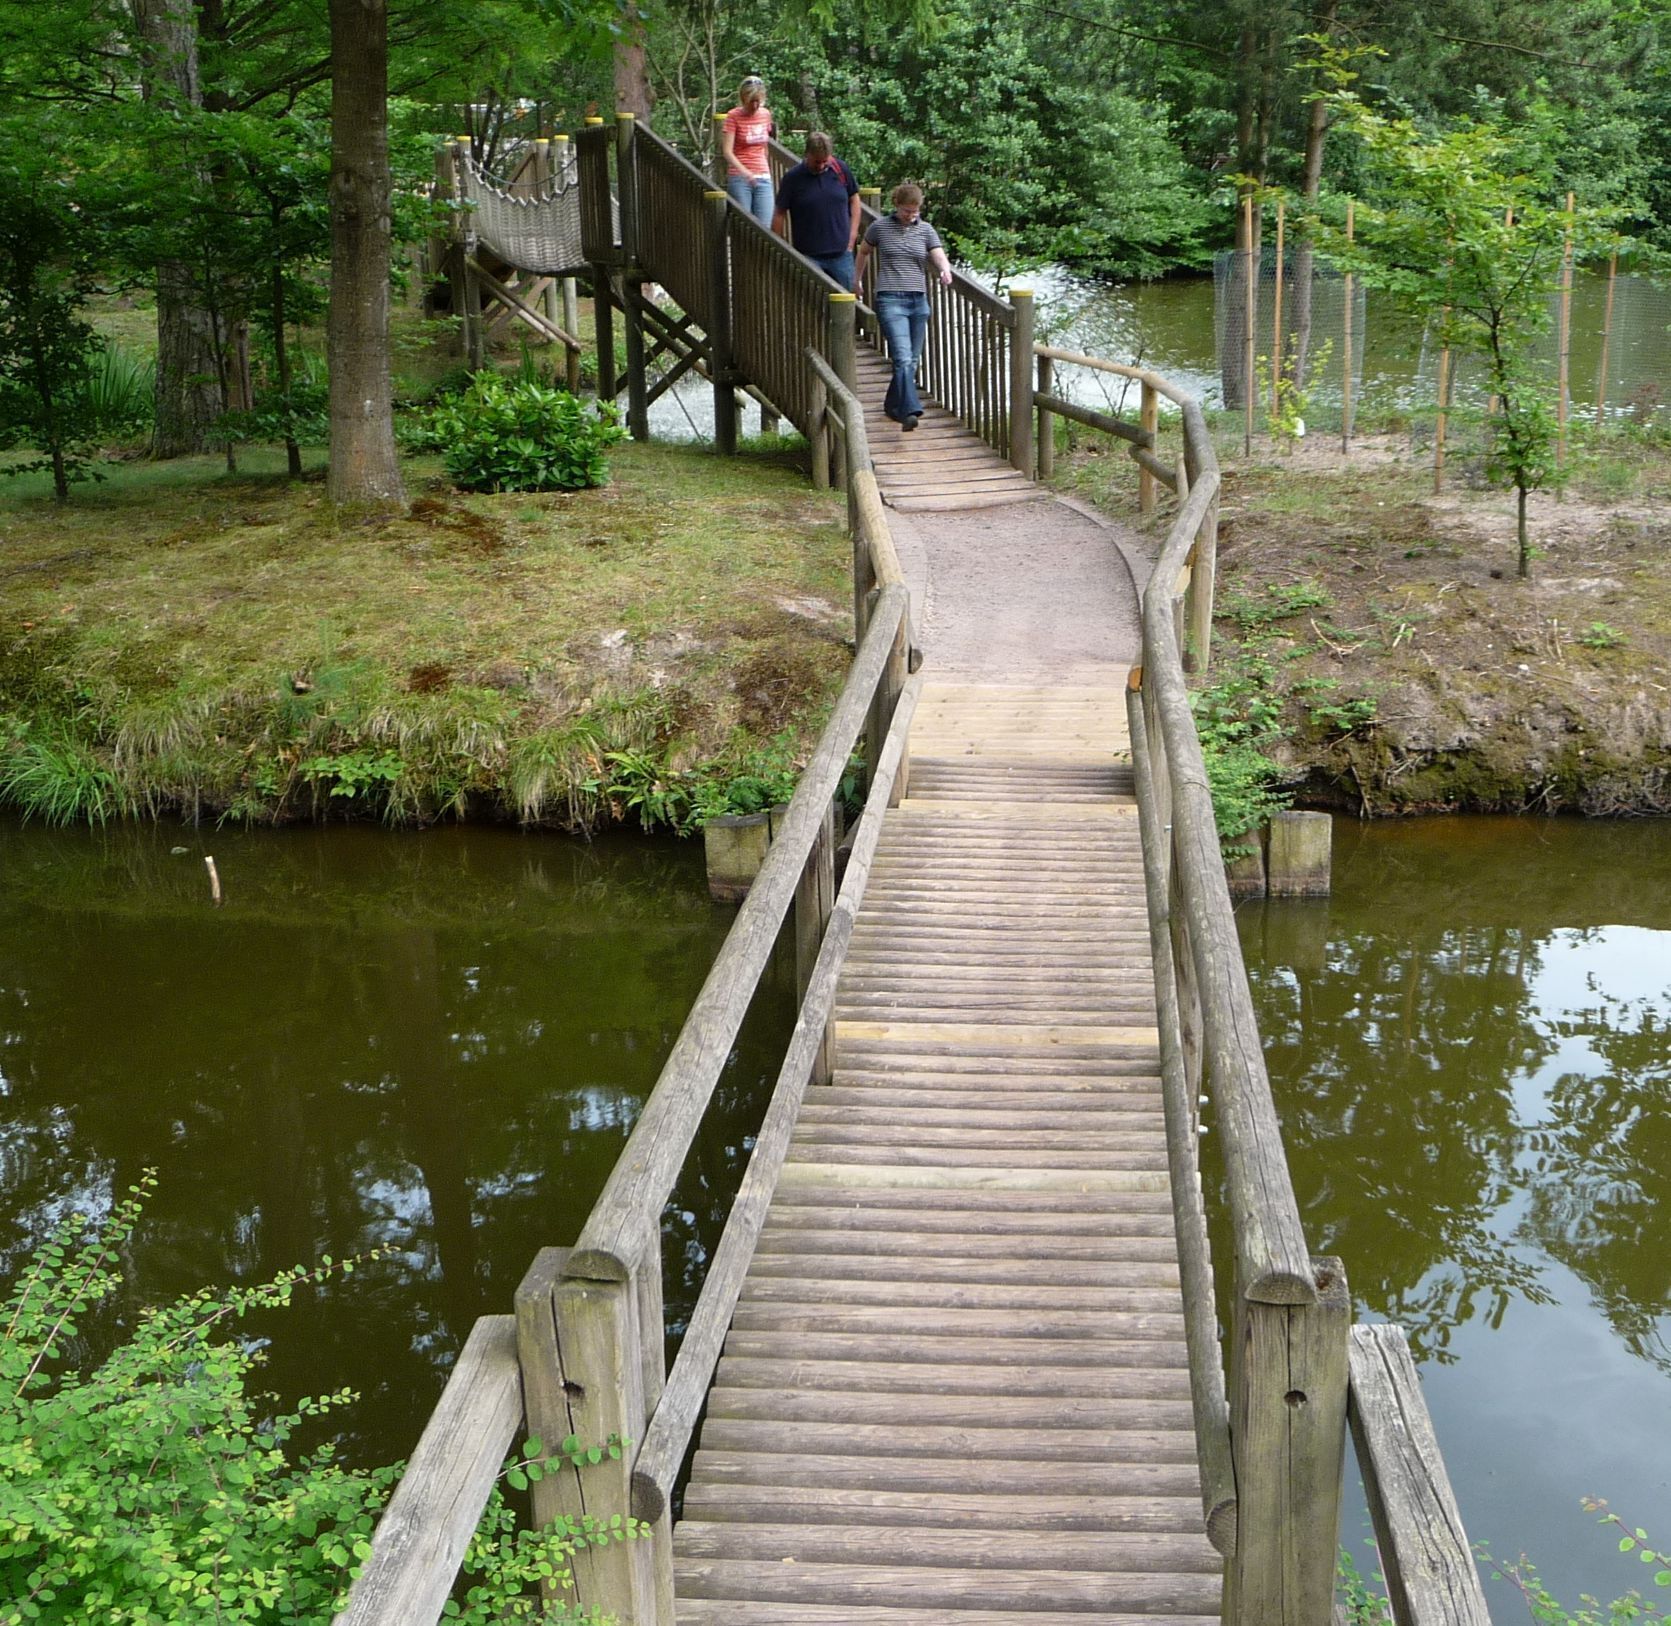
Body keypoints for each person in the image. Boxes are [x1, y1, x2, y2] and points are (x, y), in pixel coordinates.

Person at [852, 182, 953, 430]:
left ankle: (892, 405)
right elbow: (863, 251)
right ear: (897, 205)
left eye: (915, 211)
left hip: (918, 300)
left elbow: (937, 252)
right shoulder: (880, 228)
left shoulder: (926, 230)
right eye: (907, 211)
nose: (911, 215)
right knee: (903, 357)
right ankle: (910, 411)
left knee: (912, 360)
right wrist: (857, 280)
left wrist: (945, 269)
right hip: (890, 299)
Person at [771, 131, 861, 289]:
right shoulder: (793, 178)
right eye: (816, 161)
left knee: (847, 304)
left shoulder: (841, 170)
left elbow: (854, 200)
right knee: (811, 304)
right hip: (809, 256)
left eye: (825, 161)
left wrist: (852, 236)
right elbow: (780, 212)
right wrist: (781, 247)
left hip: (842, 254)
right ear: (807, 154)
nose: (820, 165)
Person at [721, 75, 775, 227]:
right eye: (752, 101)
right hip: (740, 177)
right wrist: (744, 172)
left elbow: (764, 145)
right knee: (745, 225)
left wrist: (765, 167)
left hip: (763, 175)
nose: (756, 105)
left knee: (764, 225)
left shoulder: (765, 115)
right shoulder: (733, 116)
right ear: (743, 98)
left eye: (759, 100)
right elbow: (727, 151)